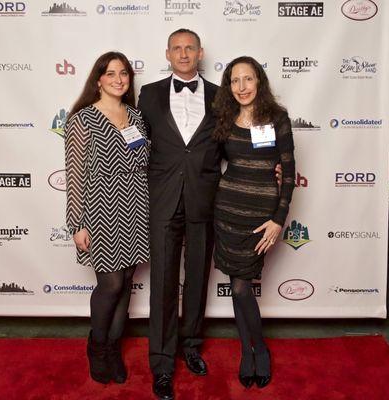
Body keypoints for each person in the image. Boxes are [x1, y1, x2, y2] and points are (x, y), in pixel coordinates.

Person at [137, 29, 220, 400]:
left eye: (190, 48)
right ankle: (162, 362)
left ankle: (191, 346)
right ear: (167, 54)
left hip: (204, 198)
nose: (184, 54)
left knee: (199, 276)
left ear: (200, 53)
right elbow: (137, 144)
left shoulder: (221, 96)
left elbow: (234, 143)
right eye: (177, 48)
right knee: (165, 283)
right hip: (163, 198)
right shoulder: (149, 94)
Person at [64, 51, 150, 384]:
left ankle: (114, 347)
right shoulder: (82, 118)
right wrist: (77, 223)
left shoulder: (135, 116)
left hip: (137, 208)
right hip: (100, 211)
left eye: (124, 74)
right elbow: (74, 173)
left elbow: (145, 159)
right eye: (111, 73)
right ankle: (97, 347)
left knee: (126, 281)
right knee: (111, 283)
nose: (118, 79)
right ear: (98, 79)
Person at [212, 56, 295, 389]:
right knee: (237, 285)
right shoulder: (225, 118)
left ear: (259, 82)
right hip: (227, 212)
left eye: (247, 79)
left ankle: (258, 349)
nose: (241, 87)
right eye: (234, 81)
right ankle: (249, 352)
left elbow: (288, 173)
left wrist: (278, 219)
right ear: (228, 86)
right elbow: (208, 163)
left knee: (241, 286)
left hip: (260, 219)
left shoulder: (277, 118)